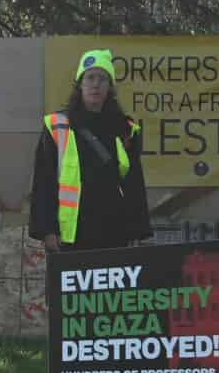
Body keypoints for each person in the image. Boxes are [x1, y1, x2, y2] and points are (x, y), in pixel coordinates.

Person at [30, 48, 153, 253]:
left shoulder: (126, 129)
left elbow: (134, 184)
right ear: (80, 84)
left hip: (114, 232)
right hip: (70, 237)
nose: (96, 84)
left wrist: (136, 231)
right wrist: (47, 230)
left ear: (110, 87)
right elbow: (44, 181)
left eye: (103, 79)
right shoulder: (57, 125)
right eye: (90, 78)